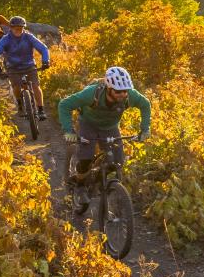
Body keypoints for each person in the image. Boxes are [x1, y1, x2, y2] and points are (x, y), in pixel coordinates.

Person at [58, 66, 151, 203]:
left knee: (118, 162)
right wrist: (69, 131)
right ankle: (80, 185)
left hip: (110, 127)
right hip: (88, 124)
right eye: (118, 91)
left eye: (125, 91)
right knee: (86, 157)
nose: (122, 94)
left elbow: (145, 105)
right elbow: (64, 105)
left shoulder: (129, 96)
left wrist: (145, 129)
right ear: (109, 88)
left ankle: (98, 180)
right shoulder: (91, 94)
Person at [0, 15, 51, 120]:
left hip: (29, 65)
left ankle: (41, 109)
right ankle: (20, 103)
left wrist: (46, 61)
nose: (18, 30)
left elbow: (43, 48)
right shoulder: (6, 39)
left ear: (24, 28)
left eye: (21, 28)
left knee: (35, 86)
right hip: (13, 67)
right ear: (11, 28)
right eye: (16, 28)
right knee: (16, 87)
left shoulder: (29, 37)